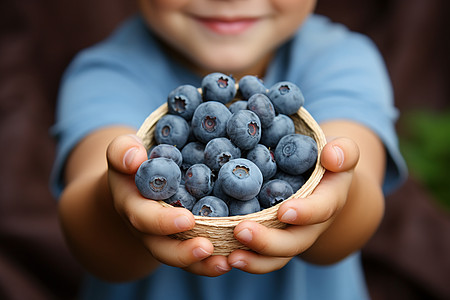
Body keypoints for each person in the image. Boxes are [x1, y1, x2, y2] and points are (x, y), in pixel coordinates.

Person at [51, 0, 407, 299]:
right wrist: (117, 203)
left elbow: (356, 198)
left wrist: (335, 197)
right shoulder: (106, 73)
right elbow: (90, 234)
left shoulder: (342, 61)